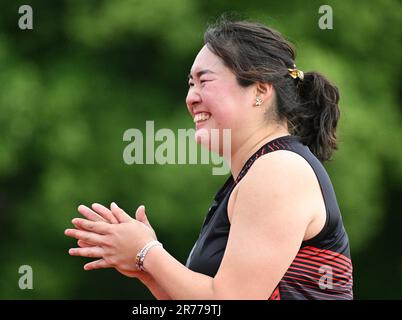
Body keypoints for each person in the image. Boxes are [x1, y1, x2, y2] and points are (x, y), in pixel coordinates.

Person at [64, 17, 353, 300]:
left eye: (205, 81)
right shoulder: (253, 175)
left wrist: (148, 252)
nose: (191, 97)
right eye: (191, 84)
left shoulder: (279, 170)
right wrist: (146, 268)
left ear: (260, 91)